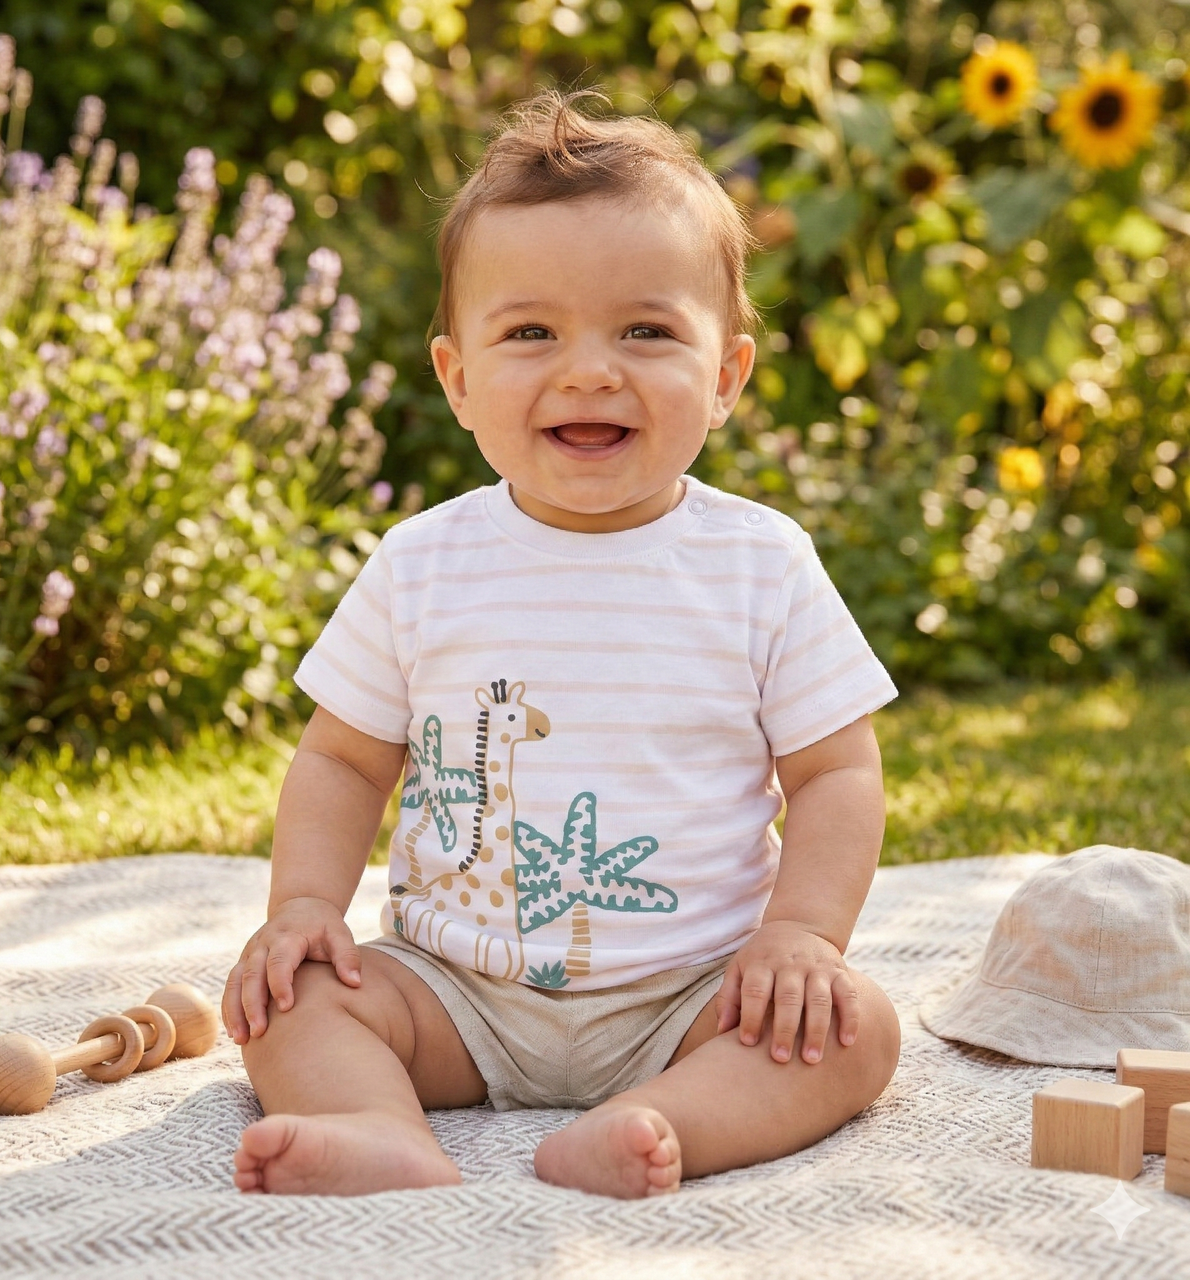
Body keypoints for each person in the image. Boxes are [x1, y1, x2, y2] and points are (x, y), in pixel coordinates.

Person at [222, 89, 902, 1200]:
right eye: (530, 332)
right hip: (451, 988)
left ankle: (660, 1117)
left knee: (853, 1026)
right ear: (456, 378)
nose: (588, 369)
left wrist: (800, 937)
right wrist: (301, 906)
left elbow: (833, 772)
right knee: (284, 999)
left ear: (723, 375)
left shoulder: (760, 563)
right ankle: (373, 1120)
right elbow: (343, 758)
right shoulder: (420, 562)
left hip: (694, 994)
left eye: (645, 330)